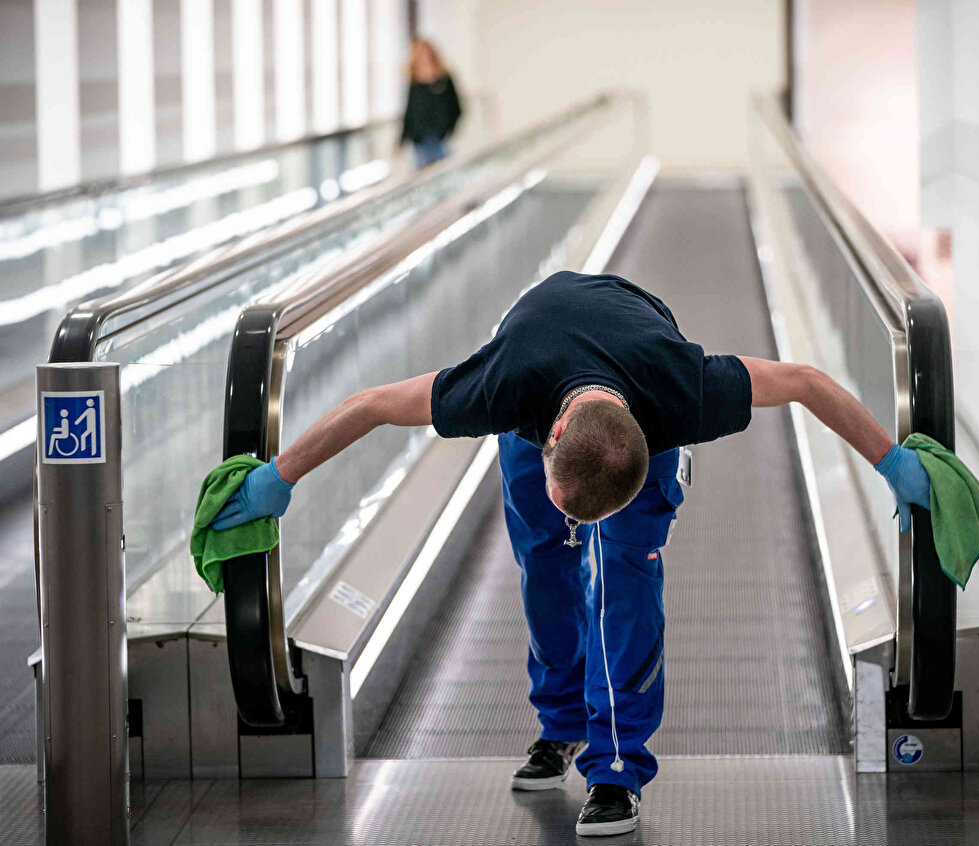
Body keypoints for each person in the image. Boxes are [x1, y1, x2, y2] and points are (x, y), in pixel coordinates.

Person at [210, 271, 931, 837]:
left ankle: (616, 769)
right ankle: (558, 727)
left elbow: (805, 382)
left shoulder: (686, 393)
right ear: (548, 435)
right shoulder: (500, 389)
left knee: (626, 575)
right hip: (540, 349)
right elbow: (370, 403)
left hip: (636, 379)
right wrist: (280, 476)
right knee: (545, 567)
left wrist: (893, 461)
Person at [400, 39, 461, 169]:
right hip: (420, 140)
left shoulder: (444, 80)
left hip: (440, 138)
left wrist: (447, 130)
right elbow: (409, 112)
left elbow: (456, 107)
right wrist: (402, 140)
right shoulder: (414, 83)